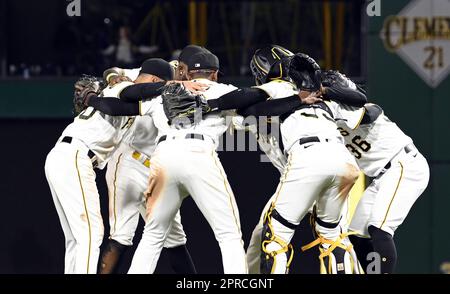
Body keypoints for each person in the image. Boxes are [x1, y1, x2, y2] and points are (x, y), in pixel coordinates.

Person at [127, 51, 248, 274]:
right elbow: (251, 113)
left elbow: (127, 95)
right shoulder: (224, 90)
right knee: (228, 234)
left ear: (185, 70)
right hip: (199, 153)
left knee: (152, 236)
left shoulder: (165, 91)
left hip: (163, 155)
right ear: (214, 74)